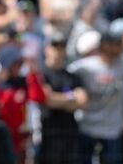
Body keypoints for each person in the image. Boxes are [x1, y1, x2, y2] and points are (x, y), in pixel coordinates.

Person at [67, 28, 123, 164]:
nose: (120, 47)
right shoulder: (85, 67)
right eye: (116, 44)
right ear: (105, 46)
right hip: (87, 126)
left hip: (111, 129)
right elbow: (65, 79)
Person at [34, 31, 87, 164]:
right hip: (48, 133)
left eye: (62, 47)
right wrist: (71, 98)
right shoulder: (41, 74)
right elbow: (48, 100)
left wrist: (59, 99)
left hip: (70, 133)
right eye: (55, 47)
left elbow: (82, 101)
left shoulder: (72, 76)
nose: (58, 51)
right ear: (47, 49)